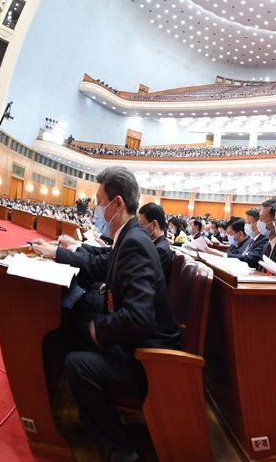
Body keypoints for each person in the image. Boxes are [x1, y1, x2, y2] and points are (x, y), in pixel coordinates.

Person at [59, 166, 180, 462]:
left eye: (99, 202)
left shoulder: (134, 242)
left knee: (77, 363)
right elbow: (103, 266)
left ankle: (124, 450)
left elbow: (140, 318)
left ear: (117, 203)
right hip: (138, 344)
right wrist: (62, 254)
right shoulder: (130, 235)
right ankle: (93, 408)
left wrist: (98, 331)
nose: (96, 208)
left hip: (149, 359)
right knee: (77, 320)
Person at [137, 202, 174, 284]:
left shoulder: (160, 250)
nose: (139, 228)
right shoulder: (156, 245)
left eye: (141, 224)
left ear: (154, 224)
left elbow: (147, 282)